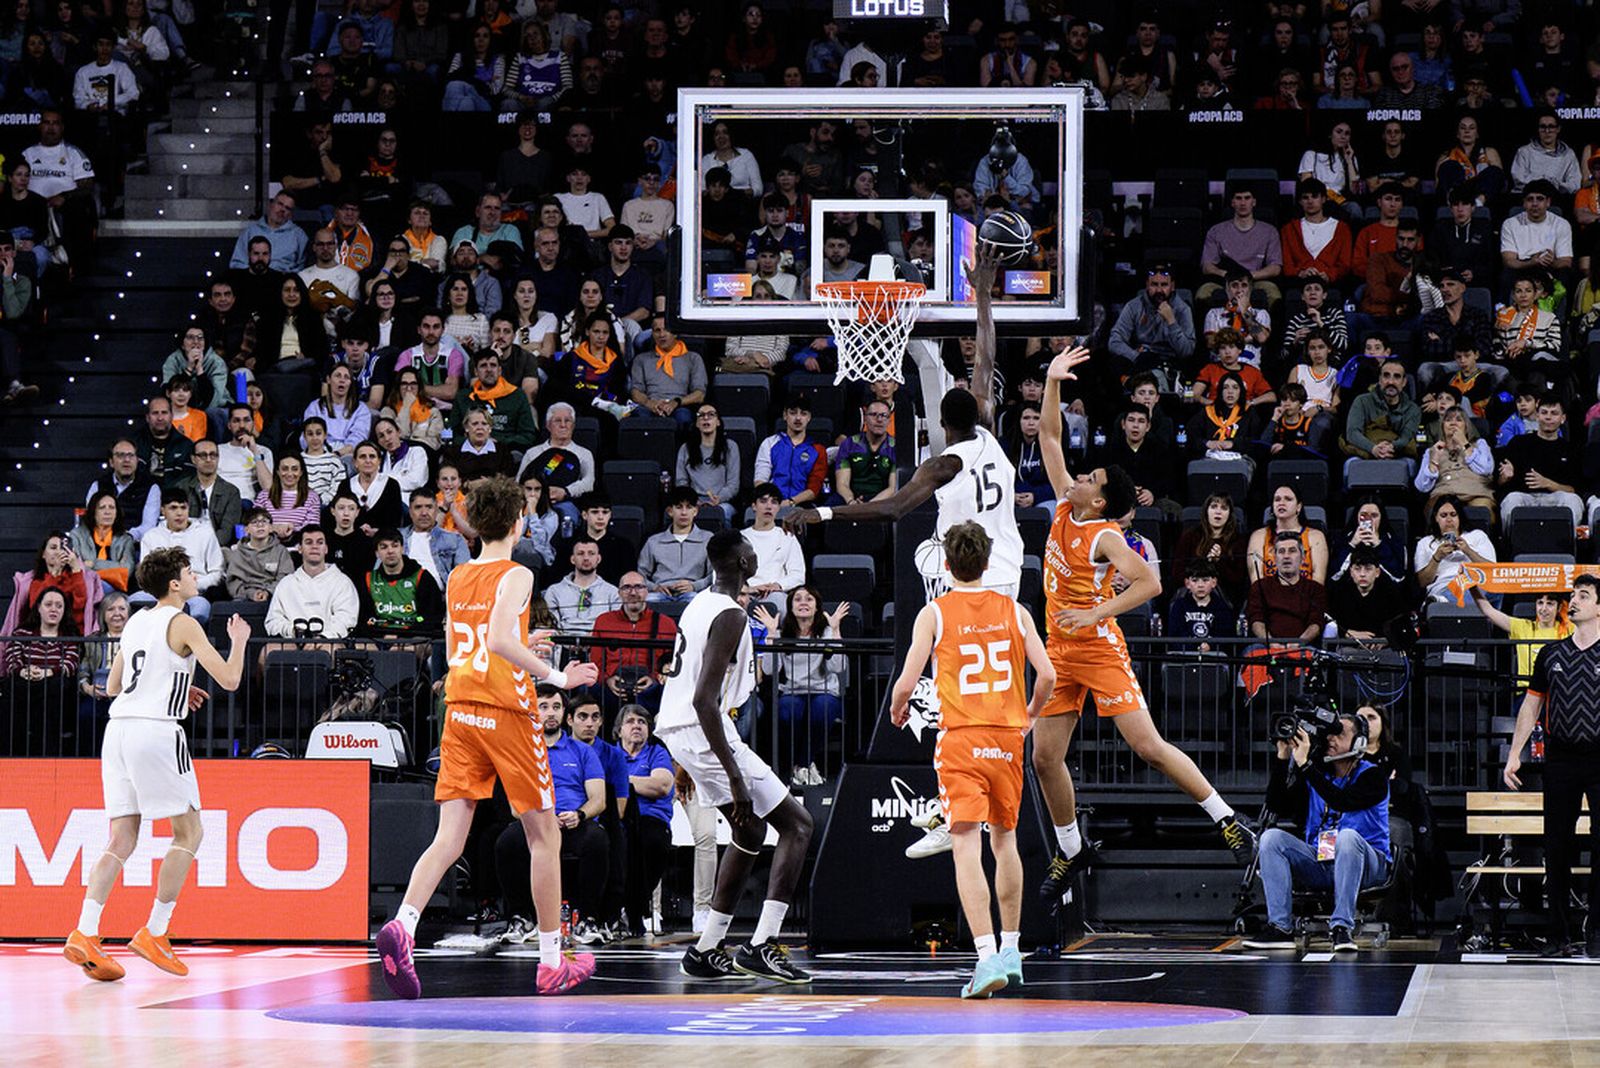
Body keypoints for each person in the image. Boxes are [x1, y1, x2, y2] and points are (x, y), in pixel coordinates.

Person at [1031, 345, 1256, 908]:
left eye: (1091, 477)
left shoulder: (1103, 534)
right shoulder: (1065, 506)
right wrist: (1055, 380)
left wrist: (1094, 612)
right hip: (1059, 650)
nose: (1080, 476)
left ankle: (1227, 819)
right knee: (1043, 757)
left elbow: (1151, 584)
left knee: (1148, 745)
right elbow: (1050, 440)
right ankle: (1069, 846)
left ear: (1101, 498)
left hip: (1098, 647)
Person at [376, 476, 599, 997]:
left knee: (449, 838)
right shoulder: (518, 572)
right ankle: (550, 962)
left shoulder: (456, 575)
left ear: (472, 523)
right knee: (546, 837)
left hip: (459, 708)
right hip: (506, 711)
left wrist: (525, 639)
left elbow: (469, 642)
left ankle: (402, 926)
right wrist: (560, 677)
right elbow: (498, 639)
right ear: (519, 521)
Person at [62, 548, 250, 982]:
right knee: (190, 830)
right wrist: (238, 642)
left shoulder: (135, 620)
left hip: (119, 730)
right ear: (174, 584)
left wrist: (177, 687)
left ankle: (86, 931)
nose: (194, 575)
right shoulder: (183, 621)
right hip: (157, 732)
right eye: (188, 571)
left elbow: (114, 685)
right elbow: (230, 679)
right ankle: (156, 932)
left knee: (121, 838)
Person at [887, 520, 1053, 997]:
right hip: (1007, 738)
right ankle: (1012, 949)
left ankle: (985, 959)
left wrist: (899, 711)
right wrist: (1028, 717)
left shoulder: (934, 612)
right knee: (1006, 842)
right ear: (987, 561)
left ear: (945, 564)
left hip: (961, 736)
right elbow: (1046, 675)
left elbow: (905, 680)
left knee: (965, 846)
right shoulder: (1015, 611)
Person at [662, 529, 815, 983]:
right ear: (743, 564)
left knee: (748, 832)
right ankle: (762, 944)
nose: (755, 555)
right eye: (751, 552)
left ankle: (707, 948)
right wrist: (732, 776)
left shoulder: (699, 603)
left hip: (684, 733)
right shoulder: (729, 615)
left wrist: (687, 759)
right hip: (703, 729)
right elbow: (704, 699)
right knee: (797, 825)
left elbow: (686, 688)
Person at [1504, 573, 1600, 956]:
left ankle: (1595, 933)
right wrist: (1515, 753)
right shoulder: (1551, 654)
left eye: (1583, 595)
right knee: (1556, 848)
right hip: (1559, 759)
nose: (1573, 601)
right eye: (1572, 595)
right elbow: (1531, 705)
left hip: (1599, 758)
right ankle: (1559, 936)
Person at [1241, 711, 1391, 951]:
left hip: (1369, 864)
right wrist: (1283, 757)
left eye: (1340, 734)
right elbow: (1276, 805)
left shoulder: (1373, 775)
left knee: (1347, 837)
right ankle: (1281, 928)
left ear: (1359, 742)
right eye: (1330, 733)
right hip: (1324, 861)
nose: (1331, 738)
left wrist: (1306, 765)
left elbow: (1343, 801)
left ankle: (1341, 927)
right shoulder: (1316, 775)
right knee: (1271, 839)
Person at [617, 705, 674, 936]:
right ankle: (628, 911)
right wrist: (641, 783)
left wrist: (623, 781)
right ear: (619, 730)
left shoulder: (657, 753)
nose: (637, 725)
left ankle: (633, 909)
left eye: (642, 721)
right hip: (620, 817)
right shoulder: (611, 754)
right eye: (630, 721)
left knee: (652, 842)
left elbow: (660, 785)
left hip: (652, 818)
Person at [136, 490, 223, 624]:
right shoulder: (151, 537)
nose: (179, 513)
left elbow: (217, 573)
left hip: (193, 594)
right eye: (173, 508)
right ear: (163, 511)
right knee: (133, 602)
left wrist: (189, 586)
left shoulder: (206, 534)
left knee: (200, 608)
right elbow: (145, 575)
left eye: (183, 507)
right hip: (158, 595)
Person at [263, 527, 358, 642]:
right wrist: (294, 632)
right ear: (299, 548)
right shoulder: (286, 583)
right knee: (267, 652)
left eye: (320, 542)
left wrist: (322, 637)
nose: (314, 546)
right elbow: (273, 621)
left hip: (330, 643)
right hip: (293, 643)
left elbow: (346, 619)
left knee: (331, 650)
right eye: (308, 542)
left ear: (326, 549)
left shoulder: (342, 582)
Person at [1500, 394, 1582, 527]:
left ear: (1563, 418)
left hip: (1556, 498)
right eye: (1544, 413)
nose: (1548, 417)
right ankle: (1511, 545)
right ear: (1537, 416)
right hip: (1525, 497)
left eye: (1554, 413)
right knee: (1511, 499)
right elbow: (1499, 484)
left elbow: (1573, 490)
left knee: (1573, 500)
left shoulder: (1570, 449)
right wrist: (1505, 477)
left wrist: (1548, 483)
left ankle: (1568, 544)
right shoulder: (1518, 443)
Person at [1473, 588, 1572, 696]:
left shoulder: (1568, 629)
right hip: (1527, 694)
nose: (1544, 609)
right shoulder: (1523, 627)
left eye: (1550, 604)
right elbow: (1488, 611)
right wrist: (1471, 586)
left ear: (1559, 607)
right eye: (1540, 603)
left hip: (1557, 694)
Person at [1107, 263, 1195, 373]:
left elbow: (1187, 351)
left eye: (1164, 285)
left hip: (1171, 361)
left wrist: (1171, 321)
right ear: (1147, 285)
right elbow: (1114, 341)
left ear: (1172, 286)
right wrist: (1135, 356)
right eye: (1154, 284)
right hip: (1140, 358)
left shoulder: (1183, 309)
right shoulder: (1134, 306)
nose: (1159, 290)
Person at [1247, 533, 1327, 644]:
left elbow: (1316, 623)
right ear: (1274, 557)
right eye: (1281, 551)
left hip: (1303, 648)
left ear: (1303, 557)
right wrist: (1272, 644)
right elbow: (1256, 621)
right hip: (1266, 647)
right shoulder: (1260, 586)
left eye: (1292, 551)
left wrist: (1298, 644)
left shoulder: (1315, 589)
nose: (1286, 556)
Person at [639, 488, 712, 605]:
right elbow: (641, 574)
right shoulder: (654, 541)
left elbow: (714, 574)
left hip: (693, 592)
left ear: (695, 511)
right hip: (660, 593)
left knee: (696, 601)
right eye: (678, 507)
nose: (684, 512)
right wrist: (655, 587)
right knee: (646, 601)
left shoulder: (708, 539)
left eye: (688, 507)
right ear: (670, 511)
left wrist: (694, 586)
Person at [1326, 545, 1412, 642]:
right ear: (1351, 571)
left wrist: (1386, 640)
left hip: (1384, 649)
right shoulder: (1339, 593)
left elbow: (1402, 623)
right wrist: (1347, 632)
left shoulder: (1390, 593)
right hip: (1349, 647)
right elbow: (1330, 621)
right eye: (1357, 569)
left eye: (1368, 569)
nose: (1362, 574)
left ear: (1377, 572)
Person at [1247, 484, 1329, 584]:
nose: (1281, 503)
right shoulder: (1259, 536)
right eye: (1277, 499)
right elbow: (1256, 581)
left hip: (1305, 596)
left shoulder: (1315, 537)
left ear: (1298, 506)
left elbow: (1318, 580)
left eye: (1288, 499)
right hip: (1269, 597)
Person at [676, 405, 739, 521]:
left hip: (721, 501)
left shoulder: (730, 447)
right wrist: (692, 501)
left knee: (723, 512)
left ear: (718, 422)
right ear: (696, 423)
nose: (706, 418)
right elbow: (681, 482)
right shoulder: (686, 448)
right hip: (692, 502)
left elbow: (733, 484)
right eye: (701, 415)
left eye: (711, 414)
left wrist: (717, 499)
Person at [223, 509, 295, 603]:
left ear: (270, 528)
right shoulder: (238, 553)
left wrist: (268, 592)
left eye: (264, 521)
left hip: (275, 596)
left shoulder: (281, 551)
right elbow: (233, 583)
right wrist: (251, 594)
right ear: (246, 529)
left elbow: (286, 578)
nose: (260, 525)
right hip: (244, 598)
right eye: (254, 522)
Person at [1165, 559, 1238, 652]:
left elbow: (1225, 635)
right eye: (1195, 580)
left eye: (1205, 580)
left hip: (1215, 658)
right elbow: (1174, 635)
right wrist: (1194, 647)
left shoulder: (1221, 607)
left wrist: (1211, 645)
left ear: (1214, 582)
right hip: (1184, 657)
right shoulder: (1179, 606)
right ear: (1187, 583)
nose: (1200, 585)